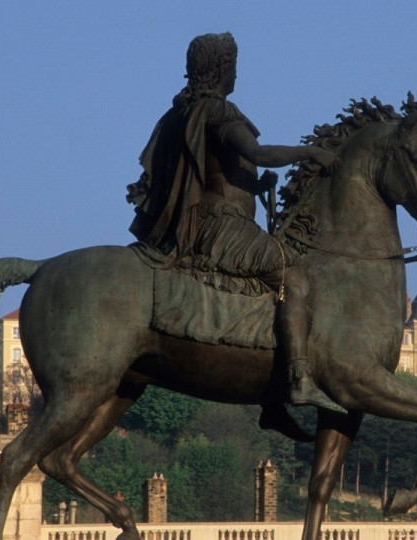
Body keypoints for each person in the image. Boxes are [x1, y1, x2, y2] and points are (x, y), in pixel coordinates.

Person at [127, 32, 344, 415]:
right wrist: (311, 152)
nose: (236, 76)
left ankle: (270, 402)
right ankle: (298, 380)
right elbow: (257, 152)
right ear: (222, 69)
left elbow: (211, 174)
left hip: (199, 223)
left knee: (266, 285)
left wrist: (256, 185)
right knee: (292, 277)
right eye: (234, 67)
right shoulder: (216, 112)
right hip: (218, 226)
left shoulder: (178, 114)